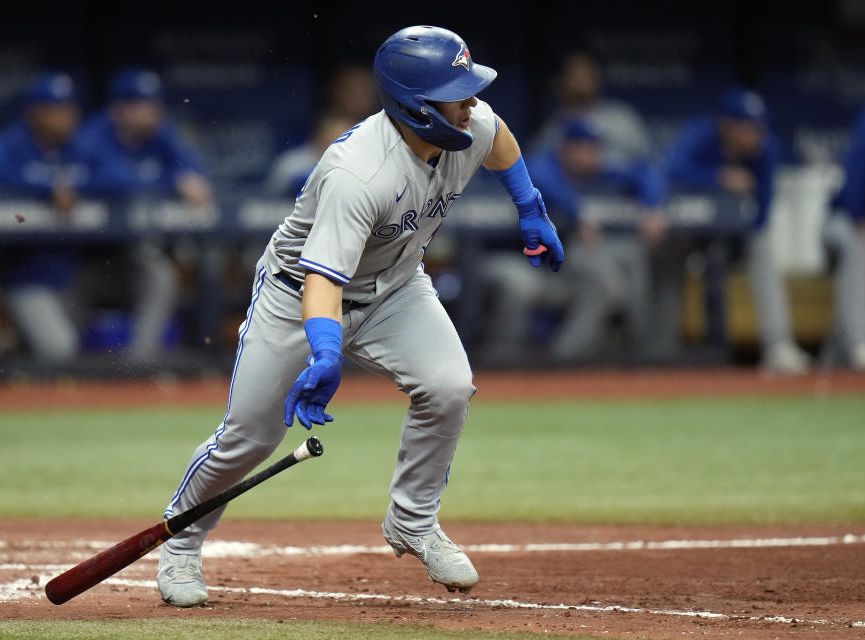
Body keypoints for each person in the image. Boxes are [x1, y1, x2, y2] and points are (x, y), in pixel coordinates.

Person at [155, 25, 564, 607]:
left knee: (448, 387)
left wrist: (532, 207)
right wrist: (326, 351)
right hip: (299, 297)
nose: (471, 99)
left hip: (396, 287)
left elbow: (500, 139)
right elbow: (322, 280)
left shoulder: (468, 121)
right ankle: (181, 541)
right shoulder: (359, 173)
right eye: (457, 90)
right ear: (415, 105)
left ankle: (413, 521)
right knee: (251, 437)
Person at [479, 119, 665, 362]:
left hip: (547, 266)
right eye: (585, 149)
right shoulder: (542, 166)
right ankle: (502, 362)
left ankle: (562, 359)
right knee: (521, 285)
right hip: (509, 255)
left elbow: (645, 172)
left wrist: (652, 207)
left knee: (604, 289)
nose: (593, 156)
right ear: (566, 149)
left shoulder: (593, 167)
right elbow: (536, 179)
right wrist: (577, 212)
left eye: (595, 149)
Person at [666, 88, 809, 374]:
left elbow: (764, 206)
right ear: (727, 126)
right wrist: (718, 177)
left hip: (738, 233)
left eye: (758, 128)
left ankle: (778, 344)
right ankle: (662, 347)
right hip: (692, 230)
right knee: (663, 252)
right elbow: (671, 170)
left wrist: (744, 227)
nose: (755, 135)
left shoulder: (767, 148)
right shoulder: (701, 135)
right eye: (747, 128)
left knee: (763, 249)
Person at [75, 69, 213, 361]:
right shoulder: (92, 136)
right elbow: (117, 183)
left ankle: (140, 366)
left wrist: (184, 179)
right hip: (86, 261)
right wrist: (170, 183)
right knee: (58, 344)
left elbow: (194, 172)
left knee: (162, 275)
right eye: (143, 105)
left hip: (133, 257)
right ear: (120, 109)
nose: (154, 113)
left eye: (155, 105)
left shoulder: (161, 134)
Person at [0, 72, 88, 362]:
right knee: (60, 348)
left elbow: (118, 176)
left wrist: (79, 186)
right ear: (35, 113)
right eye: (55, 109)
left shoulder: (79, 145)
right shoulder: (13, 145)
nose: (65, 116)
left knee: (77, 350)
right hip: (23, 275)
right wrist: (46, 188)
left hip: (71, 274)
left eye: (68, 108)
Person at [531, 50, 652, 165]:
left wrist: (601, 162)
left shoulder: (622, 119)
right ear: (558, 84)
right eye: (576, 73)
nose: (583, 79)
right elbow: (532, 174)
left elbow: (646, 165)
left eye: (589, 73)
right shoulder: (551, 133)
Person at [825, 106, 865, 370]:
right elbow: (855, 173)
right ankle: (859, 342)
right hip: (844, 220)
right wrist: (860, 216)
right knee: (859, 243)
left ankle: (831, 360)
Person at [264, 114, 356, 198]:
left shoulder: (357, 167)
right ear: (320, 137)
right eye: (333, 138)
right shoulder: (292, 163)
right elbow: (270, 198)